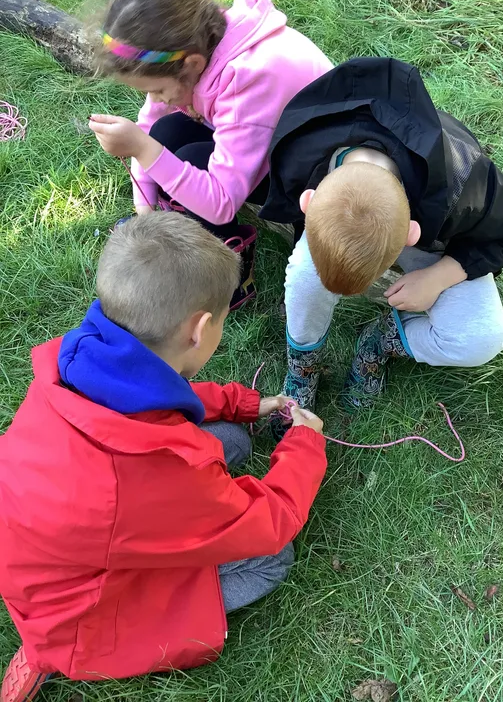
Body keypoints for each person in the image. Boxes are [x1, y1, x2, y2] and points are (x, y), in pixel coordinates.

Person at [0, 213, 327, 702]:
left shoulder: (80, 359)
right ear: (199, 329)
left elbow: (160, 397)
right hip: (78, 613)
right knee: (272, 558)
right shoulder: (159, 474)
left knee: (231, 443)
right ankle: (53, 656)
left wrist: (243, 403)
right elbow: (269, 521)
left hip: (52, 548)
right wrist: (305, 442)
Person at [259, 57, 503, 412]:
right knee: (303, 274)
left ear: (411, 234)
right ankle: (303, 364)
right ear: (308, 201)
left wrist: (438, 276)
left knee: (482, 337)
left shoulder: (466, 185)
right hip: (361, 217)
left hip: (438, 231)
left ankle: (379, 342)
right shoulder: (297, 153)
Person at [88, 0, 332, 308]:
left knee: (188, 158)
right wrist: (144, 210)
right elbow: (150, 123)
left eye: (157, 89)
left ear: (192, 65)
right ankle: (185, 224)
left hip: (314, 181)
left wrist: (143, 150)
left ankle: (230, 277)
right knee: (167, 133)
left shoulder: (245, 80)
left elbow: (220, 205)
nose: (156, 98)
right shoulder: (202, 44)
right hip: (277, 141)